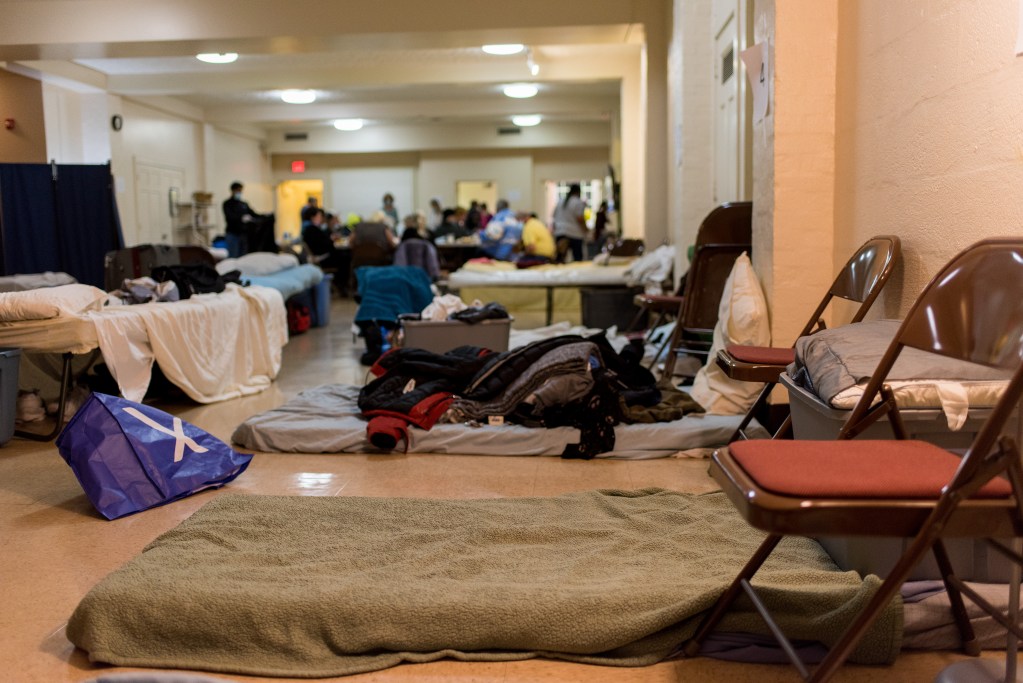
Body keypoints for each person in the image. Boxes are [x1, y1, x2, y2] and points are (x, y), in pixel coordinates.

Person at [393, 216, 441, 282]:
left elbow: (399, 257)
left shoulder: (406, 237)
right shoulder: (427, 240)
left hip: (406, 271)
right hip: (426, 271)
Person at [222, 181, 260, 258]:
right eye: (238, 190)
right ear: (233, 190)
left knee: (243, 257)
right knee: (233, 256)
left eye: (241, 190)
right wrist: (241, 218)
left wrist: (266, 216)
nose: (240, 192)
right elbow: (229, 217)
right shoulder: (227, 204)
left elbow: (254, 214)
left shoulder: (243, 204)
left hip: (243, 235)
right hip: (232, 234)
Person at [552, 183, 589, 262]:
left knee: (560, 259)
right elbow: (580, 219)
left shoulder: (560, 201)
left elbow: (554, 216)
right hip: (575, 234)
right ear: (578, 192)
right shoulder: (578, 202)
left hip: (560, 232)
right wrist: (586, 230)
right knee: (577, 258)